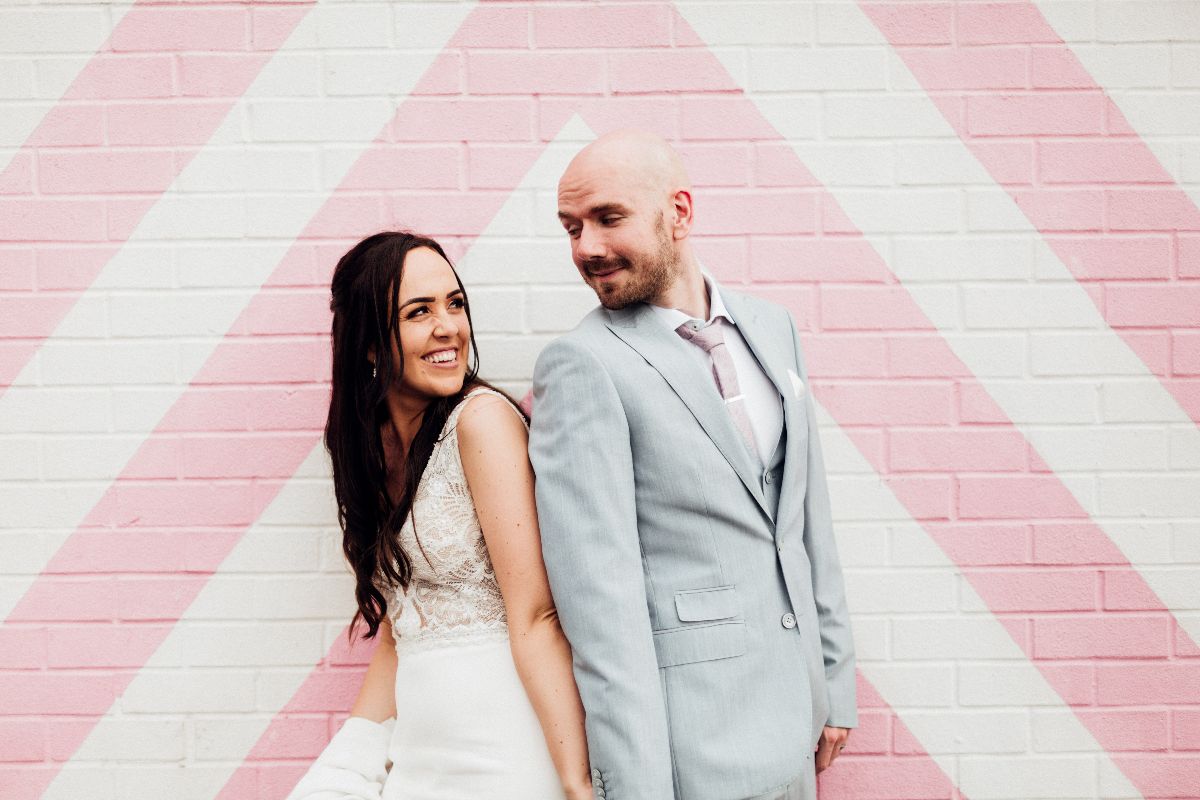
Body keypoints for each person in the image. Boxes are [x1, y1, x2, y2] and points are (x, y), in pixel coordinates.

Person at [528, 131, 857, 800]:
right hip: (695, 753)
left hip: (800, 721)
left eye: (608, 218)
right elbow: (601, 607)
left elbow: (804, 518)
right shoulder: (583, 365)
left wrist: (833, 678)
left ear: (679, 212)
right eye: (571, 227)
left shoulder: (773, 328)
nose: (586, 247)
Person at [288, 232, 591, 800]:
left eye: (455, 303)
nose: (449, 327)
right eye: (418, 312)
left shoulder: (481, 423)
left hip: (508, 749)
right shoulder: (373, 448)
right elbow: (400, 632)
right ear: (370, 344)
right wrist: (348, 765)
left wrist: (577, 783)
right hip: (420, 755)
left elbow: (536, 617)